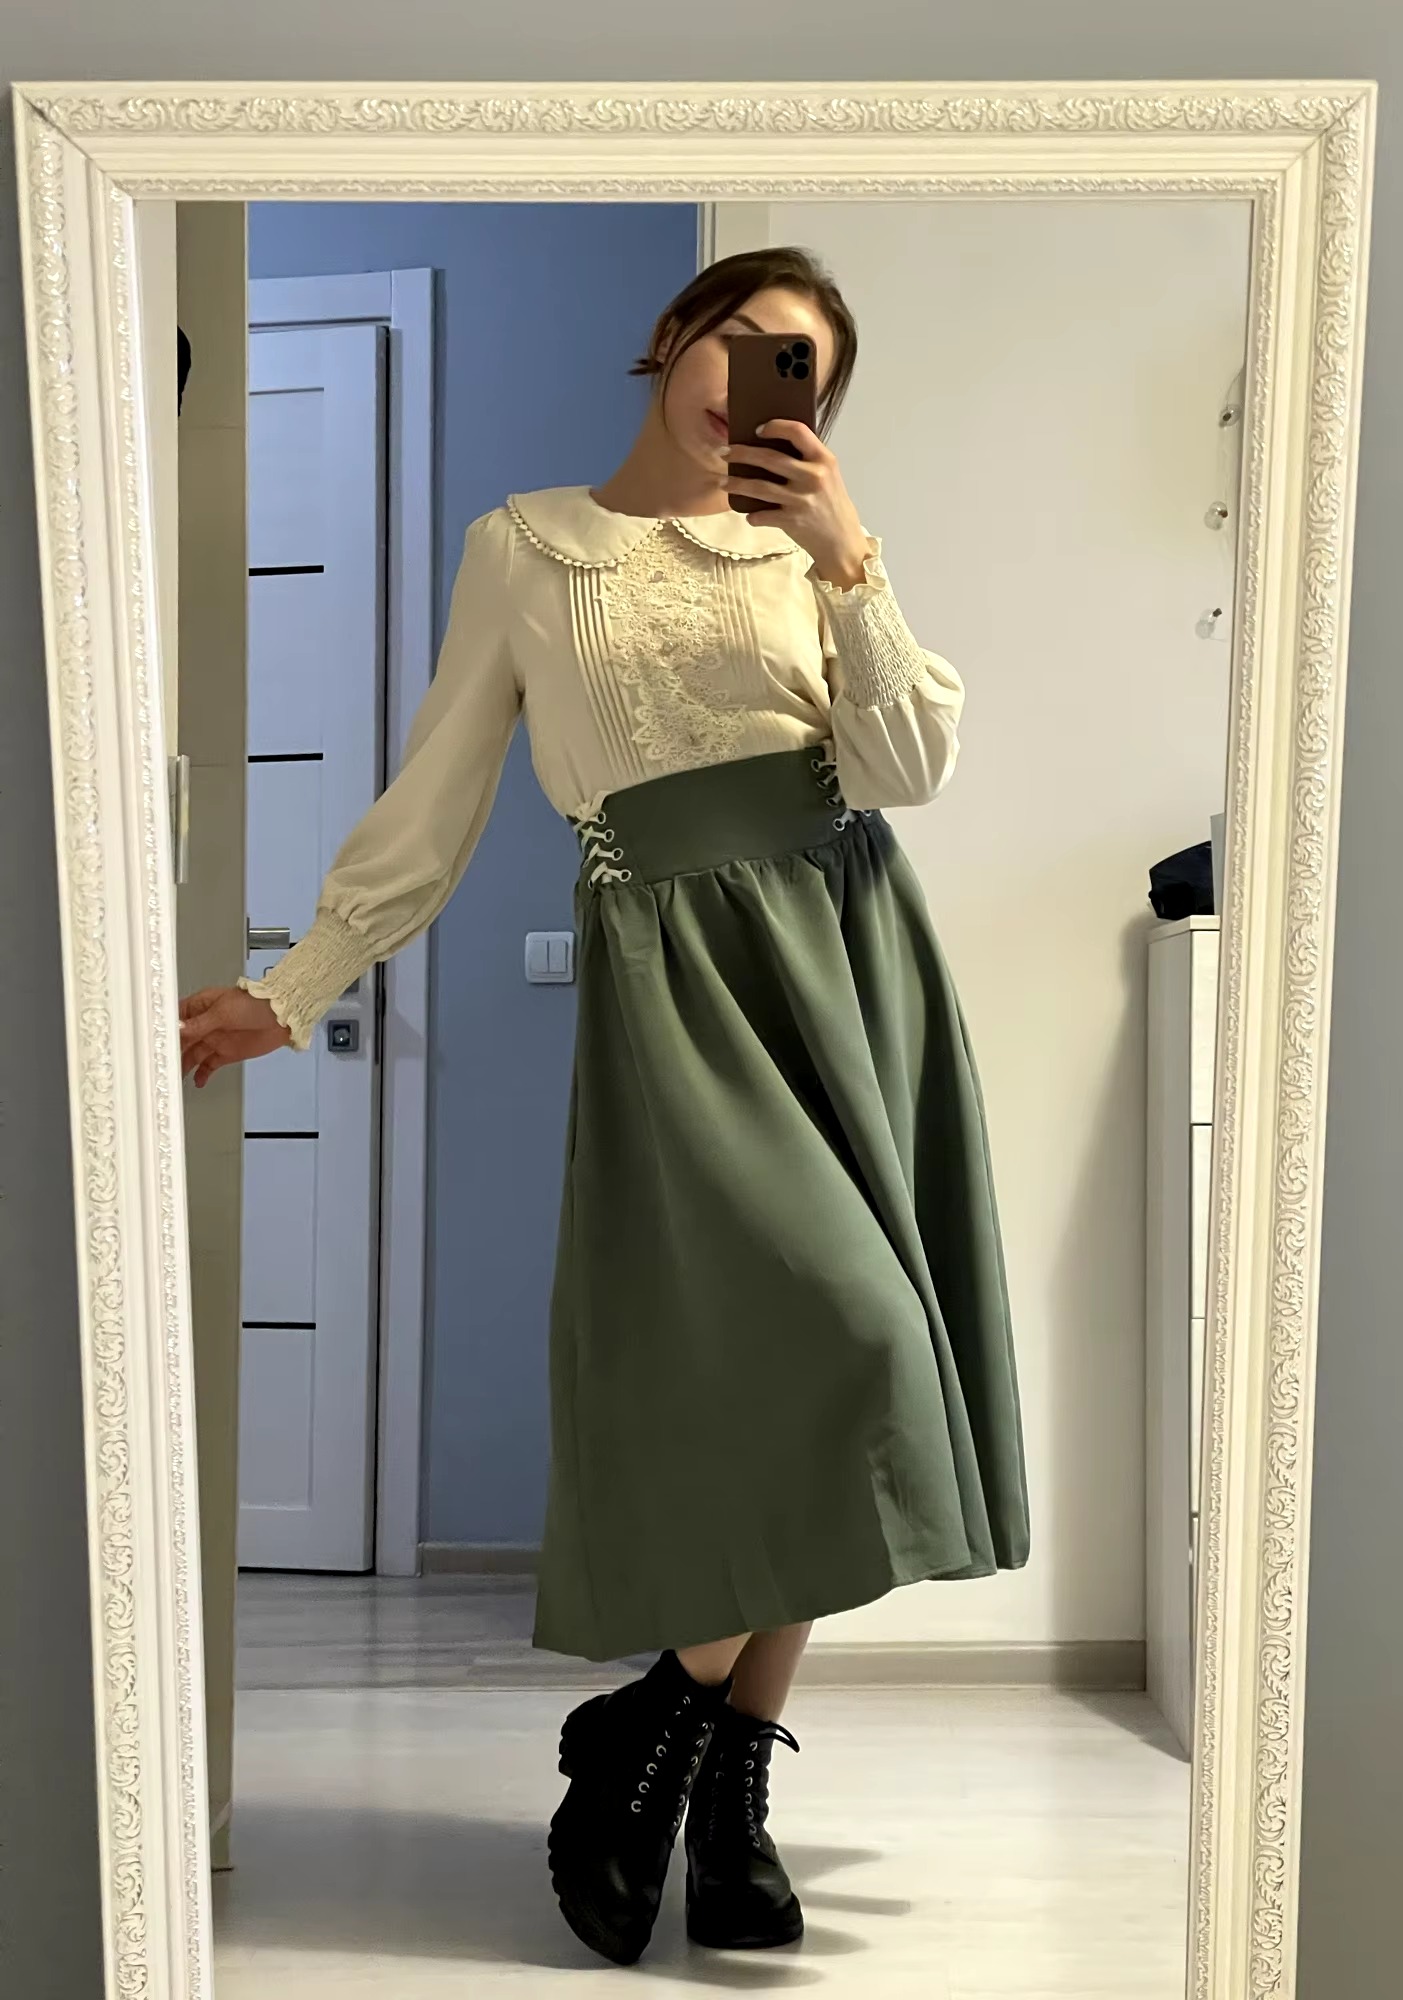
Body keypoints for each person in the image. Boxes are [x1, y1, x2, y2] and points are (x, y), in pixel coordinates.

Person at [180, 247, 1029, 1968]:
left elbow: (911, 768)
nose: (761, 382)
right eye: (749, 342)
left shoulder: (811, 555)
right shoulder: (526, 548)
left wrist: (849, 557)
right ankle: (663, 1751)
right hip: (683, 984)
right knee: (827, 1350)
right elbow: (438, 792)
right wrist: (300, 984)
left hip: (850, 960)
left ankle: (702, 1783)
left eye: (804, 371)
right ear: (675, 338)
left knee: (841, 1371)